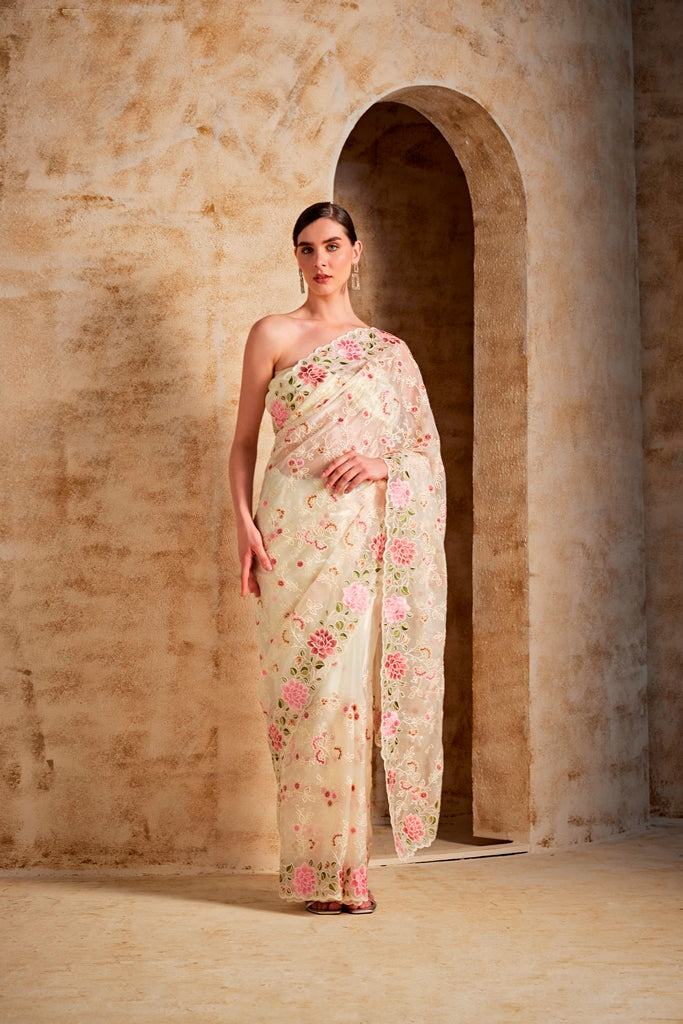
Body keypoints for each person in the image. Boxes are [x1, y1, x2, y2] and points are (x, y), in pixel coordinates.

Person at [229, 202, 446, 915]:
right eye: (305, 248)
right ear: (295, 258)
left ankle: (348, 874)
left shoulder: (390, 353)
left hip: (359, 540)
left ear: (356, 251)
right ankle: (310, 870)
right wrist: (243, 525)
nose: (319, 260)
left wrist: (384, 465)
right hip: (289, 534)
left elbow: (422, 453)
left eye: (331, 246)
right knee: (299, 699)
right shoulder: (272, 333)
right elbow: (243, 443)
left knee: (346, 696)